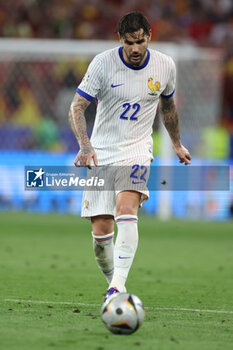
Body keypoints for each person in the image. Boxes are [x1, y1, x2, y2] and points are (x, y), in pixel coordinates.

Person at [69, 11, 191, 301]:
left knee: (127, 209)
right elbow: (76, 107)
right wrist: (85, 146)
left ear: (149, 34)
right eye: (129, 42)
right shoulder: (103, 63)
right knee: (101, 235)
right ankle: (115, 285)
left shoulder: (164, 65)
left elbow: (169, 107)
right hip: (101, 152)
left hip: (137, 149)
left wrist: (176, 143)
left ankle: (117, 287)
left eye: (140, 41)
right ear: (119, 39)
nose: (135, 48)